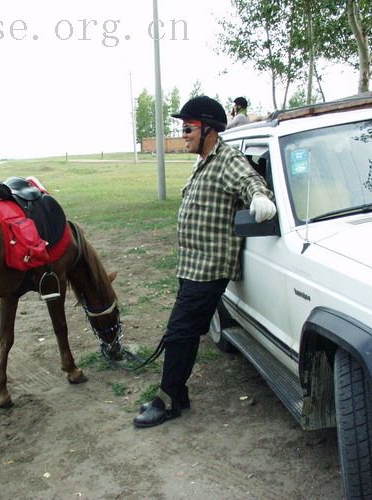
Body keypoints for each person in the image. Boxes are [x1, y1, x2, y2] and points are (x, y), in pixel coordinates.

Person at [133, 95, 276, 428]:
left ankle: (167, 401)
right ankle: (178, 396)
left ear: (208, 129)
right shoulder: (205, 161)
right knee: (182, 331)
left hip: (210, 267)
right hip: (192, 265)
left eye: (188, 128)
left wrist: (259, 198)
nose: (183, 134)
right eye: (182, 128)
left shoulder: (227, 159)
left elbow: (251, 181)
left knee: (180, 332)